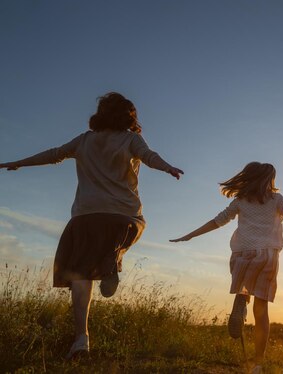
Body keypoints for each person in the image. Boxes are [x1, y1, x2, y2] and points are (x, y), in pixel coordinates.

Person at [0, 92, 184, 359]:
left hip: (85, 217)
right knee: (131, 230)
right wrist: (167, 167)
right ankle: (113, 260)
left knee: (81, 276)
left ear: (99, 114)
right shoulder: (131, 139)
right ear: (129, 115)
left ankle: (81, 339)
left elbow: (54, 154)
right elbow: (148, 155)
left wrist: (19, 163)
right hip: (123, 217)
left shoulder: (84, 140)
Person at [170, 162, 283, 374]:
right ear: (269, 179)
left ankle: (242, 299)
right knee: (261, 311)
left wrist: (190, 235)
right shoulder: (276, 200)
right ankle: (258, 363)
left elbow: (218, 221)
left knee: (244, 287)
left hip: (241, 255)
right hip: (267, 255)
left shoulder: (241, 201)